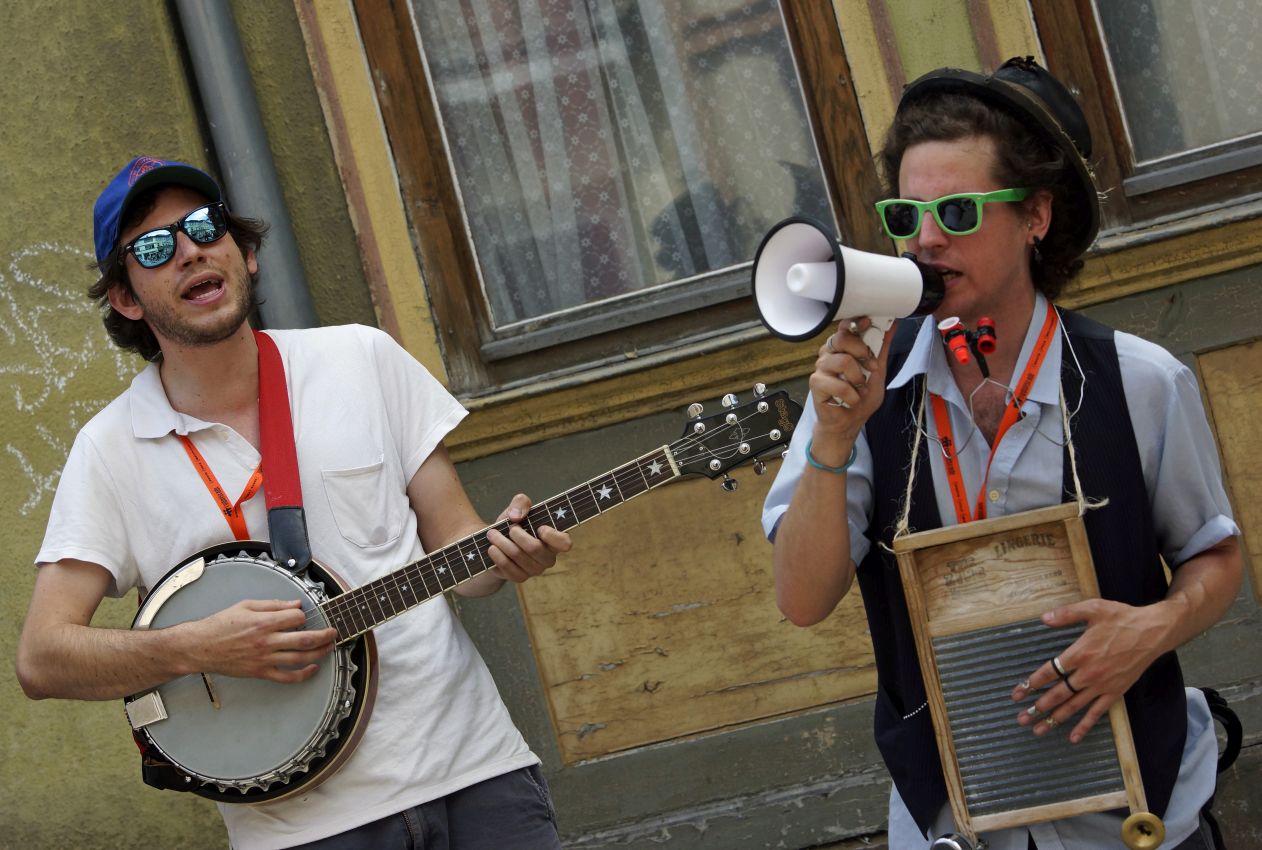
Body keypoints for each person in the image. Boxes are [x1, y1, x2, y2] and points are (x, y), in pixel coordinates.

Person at [16, 156, 573, 850]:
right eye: (155, 248)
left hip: (475, 776)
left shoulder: (362, 360)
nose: (190, 249)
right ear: (126, 299)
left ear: (243, 253)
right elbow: (42, 658)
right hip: (299, 830)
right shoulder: (111, 452)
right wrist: (193, 646)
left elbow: (461, 551)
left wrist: (510, 554)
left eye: (205, 226)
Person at [762, 57, 1242, 850]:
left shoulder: (1142, 382)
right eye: (905, 215)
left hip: (1136, 823)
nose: (924, 242)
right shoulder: (860, 390)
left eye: (956, 211)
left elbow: (1214, 559)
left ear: (1036, 216)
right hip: (956, 827)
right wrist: (836, 437)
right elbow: (802, 600)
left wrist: (1150, 630)